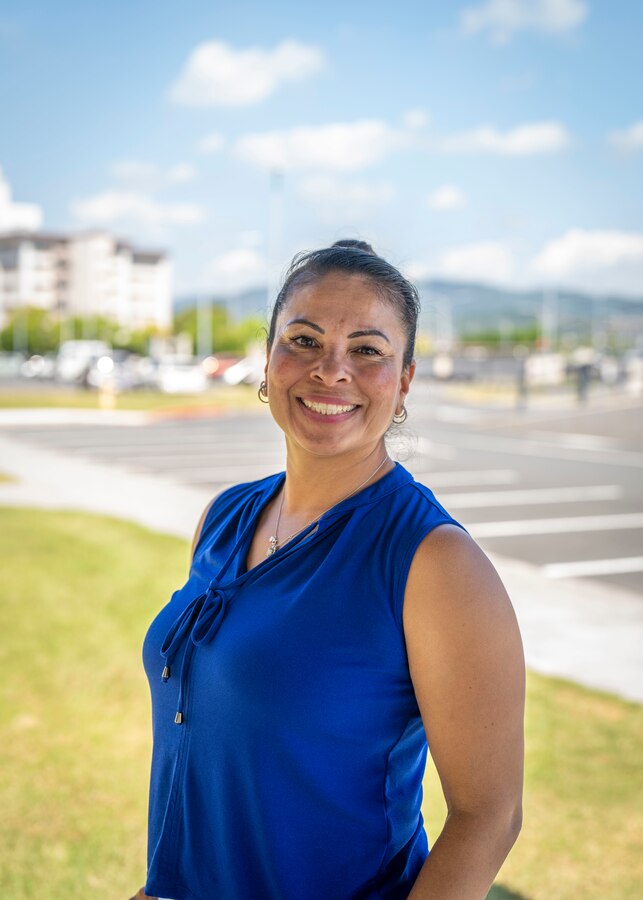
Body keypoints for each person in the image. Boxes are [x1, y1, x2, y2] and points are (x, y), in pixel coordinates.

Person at [131, 240, 525, 900]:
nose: (330, 370)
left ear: (403, 380)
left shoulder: (433, 562)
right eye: (304, 340)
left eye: (367, 350)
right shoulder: (224, 516)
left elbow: (489, 817)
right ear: (268, 360)